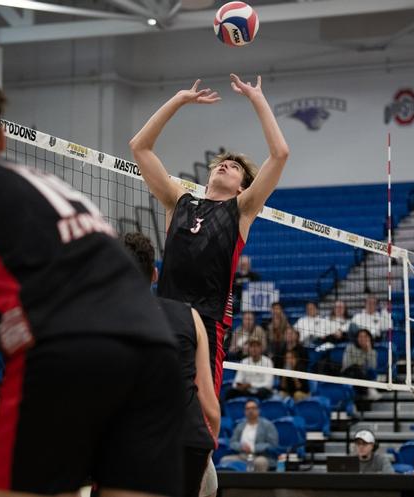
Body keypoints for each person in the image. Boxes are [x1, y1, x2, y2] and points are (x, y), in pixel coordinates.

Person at [0, 75, 183, 497]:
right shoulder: (53, 186)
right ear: (1, 140)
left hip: (64, 358)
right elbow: (93, 339)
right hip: (157, 357)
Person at [130, 75, 289, 397]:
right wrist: (178, 99)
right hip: (164, 318)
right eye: (222, 164)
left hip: (207, 323)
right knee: (154, 405)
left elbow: (280, 154)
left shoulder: (242, 209)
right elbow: (140, 147)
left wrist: (257, 98)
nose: (225, 166)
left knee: (202, 413)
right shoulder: (179, 201)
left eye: (234, 168)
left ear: (243, 187)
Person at [122, 232, 219, 497]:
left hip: (137, 441)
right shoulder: (191, 316)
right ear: (154, 275)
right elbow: (211, 409)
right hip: (190, 442)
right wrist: (207, 459)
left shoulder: (105, 316)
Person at [220, 400, 279, 472]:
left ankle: (258, 483)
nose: (250, 411)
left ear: (258, 410)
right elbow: (232, 443)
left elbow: (272, 445)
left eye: (253, 408)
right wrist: (241, 447)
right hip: (242, 455)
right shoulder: (240, 426)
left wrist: (252, 448)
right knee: (225, 460)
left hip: (261, 456)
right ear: (244, 411)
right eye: (247, 409)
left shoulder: (268, 425)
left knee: (260, 462)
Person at [342, 328, 380, 401]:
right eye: (360, 336)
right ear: (357, 338)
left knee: (366, 372)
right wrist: (360, 364)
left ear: (369, 339)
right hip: (350, 373)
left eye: (365, 336)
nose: (363, 339)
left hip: (365, 375)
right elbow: (346, 364)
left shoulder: (373, 352)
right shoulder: (350, 348)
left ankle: (364, 393)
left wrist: (368, 350)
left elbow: (372, 367)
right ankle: (368, 390)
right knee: (356, 369)